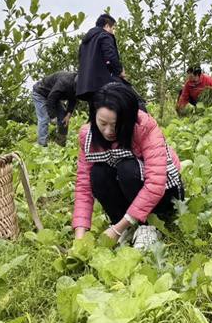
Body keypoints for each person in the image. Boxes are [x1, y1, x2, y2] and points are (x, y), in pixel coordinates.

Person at [72, 83, 184, 249]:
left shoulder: (145, 127)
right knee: (97, 173)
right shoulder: (88, 137)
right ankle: (125, 225)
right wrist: (79, 239)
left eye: (116, 125)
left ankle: (149, 225)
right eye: (103, 123)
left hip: (164, 194)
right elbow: (84, 187)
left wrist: (116, 230)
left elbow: (155, 183)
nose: (108, 131)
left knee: (128, 169)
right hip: (130, 192)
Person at [76, 14, 125, 102]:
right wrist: (119, 71)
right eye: (113, 28)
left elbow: (80, 59)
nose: (113, 32)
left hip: (86, 86)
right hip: (102, 84)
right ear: (106, 26)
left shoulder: (85, 42)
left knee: (95, 113)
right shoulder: (105, 35)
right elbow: (110, 56)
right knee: (124, 99)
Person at [32, 71, 77, 147]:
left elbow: (73, 99)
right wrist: (53, 117)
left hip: (54, 96)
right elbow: (51, 99)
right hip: (40, 93)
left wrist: (68, 115)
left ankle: (61, 143)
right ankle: (42, 145)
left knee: (64, 118)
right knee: (44, 118)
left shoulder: (79, 85)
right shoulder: (64, 83)